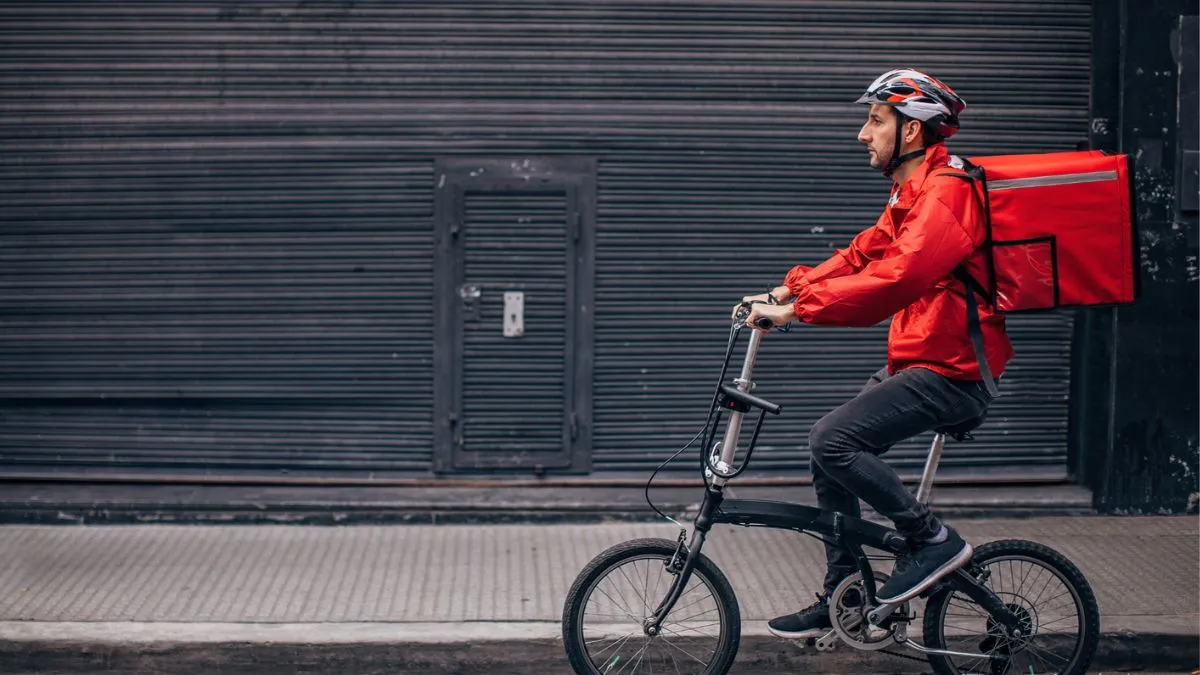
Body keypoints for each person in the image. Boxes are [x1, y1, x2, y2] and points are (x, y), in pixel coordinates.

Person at [735, 69, 1015, 639]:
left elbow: (900, 275)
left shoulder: (949, 193)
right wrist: (790, 288)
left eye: (875, 120)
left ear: (911, 132)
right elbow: (868, 250)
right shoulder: (914, 190)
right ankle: (850, 591)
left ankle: (931, 539)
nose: (864, 133)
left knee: (831, 439)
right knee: (827, 450)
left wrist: (801, 311)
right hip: (920, 363)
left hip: (953, 374)